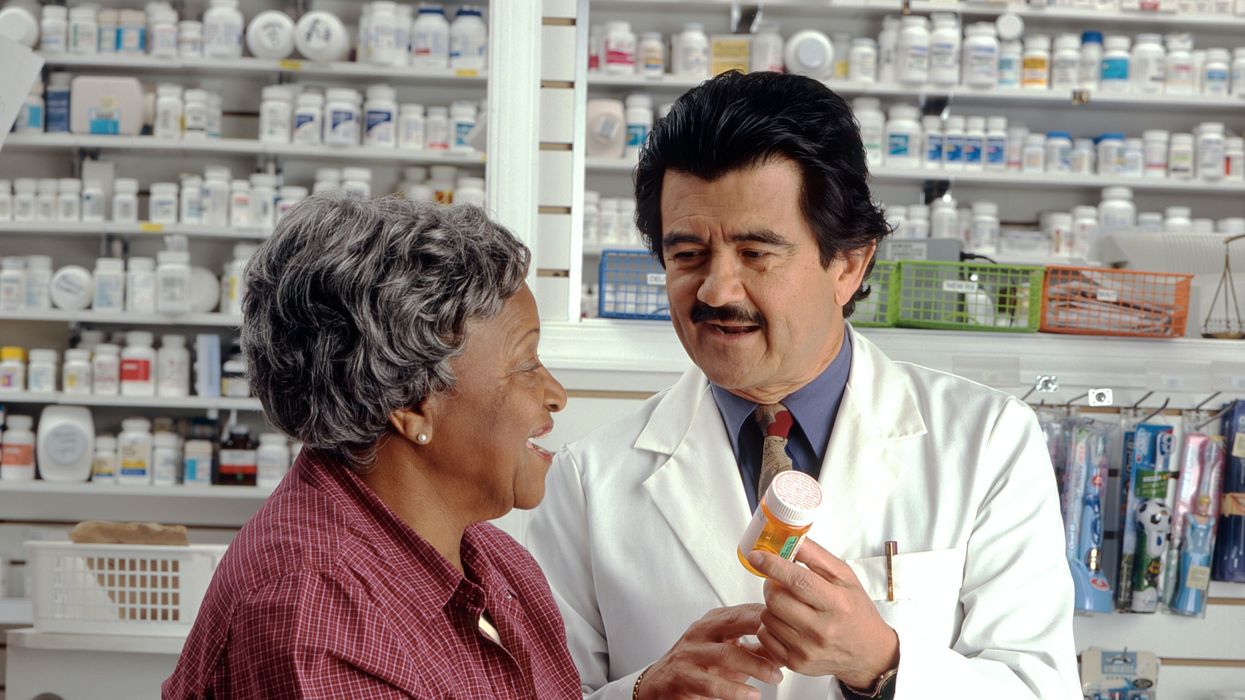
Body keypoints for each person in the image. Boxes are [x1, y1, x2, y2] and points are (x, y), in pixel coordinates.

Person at [527, 71, 1080, 700]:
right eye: (686, 255)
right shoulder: (585, 480)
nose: (715, 290)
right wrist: (642, 692)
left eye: (756, 253)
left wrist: (883, 663)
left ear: (847, 263)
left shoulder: (987, 442)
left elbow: (1042, 687)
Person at [164, 196, 580, 698]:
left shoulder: (498, 565)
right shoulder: (313, 611)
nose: (555, 395)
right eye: (526, 364)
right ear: (412, 405)